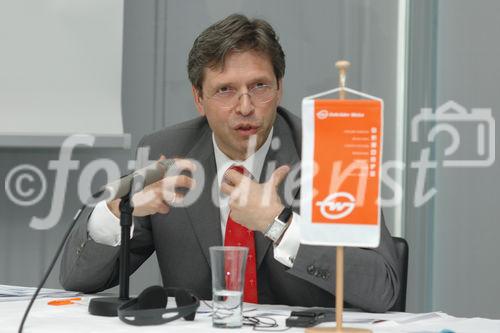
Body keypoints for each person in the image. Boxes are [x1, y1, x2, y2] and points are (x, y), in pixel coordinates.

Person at [60, 14, 400, 312]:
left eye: (260, 86)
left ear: (279, 88)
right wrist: (122, 210)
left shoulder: (330, 153)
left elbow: (383, 287)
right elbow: (79, 279)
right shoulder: (166, 151)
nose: (245, 106)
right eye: (225, 90)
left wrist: (278, 225)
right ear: (198, 98)